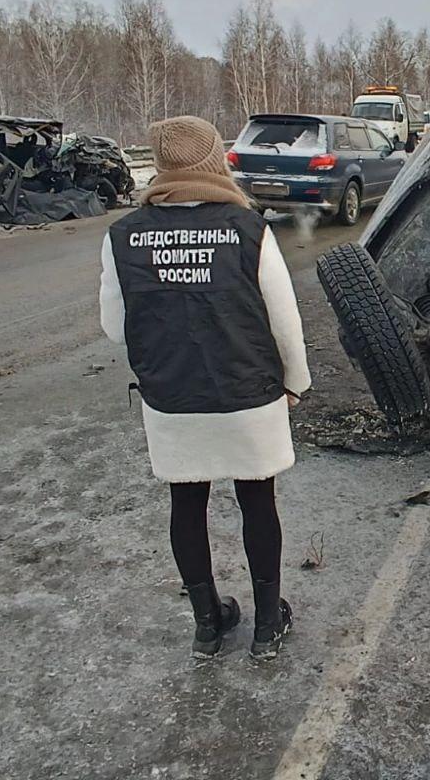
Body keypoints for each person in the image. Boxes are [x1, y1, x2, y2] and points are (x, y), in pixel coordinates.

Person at [98, 116, 310, 660]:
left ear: (163, 165)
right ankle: (267, 626)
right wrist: (295, 384)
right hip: (247, 391)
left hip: (172, 394)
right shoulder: (249, 229)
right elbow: (283, 320)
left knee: (185, 502)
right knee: (257, 499)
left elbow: (113, 324)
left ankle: (207, 625)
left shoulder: (123, 236)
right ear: (216, 160)